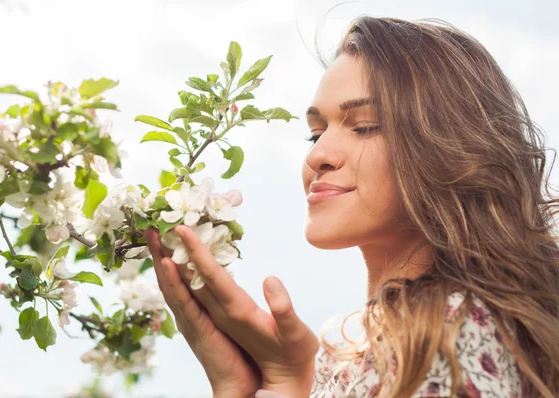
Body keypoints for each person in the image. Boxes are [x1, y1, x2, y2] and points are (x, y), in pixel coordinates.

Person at [143, 15, 559, 398]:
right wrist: (280, 381)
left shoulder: (449, 331)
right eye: (315, 133)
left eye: (363, 127)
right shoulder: (376, 351)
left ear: (448, 145)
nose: (318, 155)